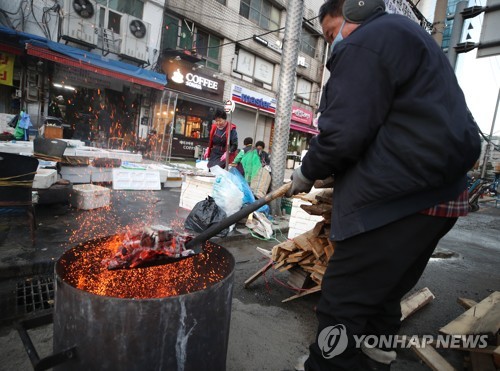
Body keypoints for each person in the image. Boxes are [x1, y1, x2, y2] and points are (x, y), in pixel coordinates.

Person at [286, 0, 481, 370]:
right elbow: (389, 120)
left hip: (398, 197)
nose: (333, 43)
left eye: (331, 33)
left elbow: (344, 131)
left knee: (343, 299)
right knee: (384, 291)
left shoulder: (366, 40)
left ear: (353, 14)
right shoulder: (410, 37)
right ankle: (376, 360)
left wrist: (307, 170)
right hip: (439, 196)